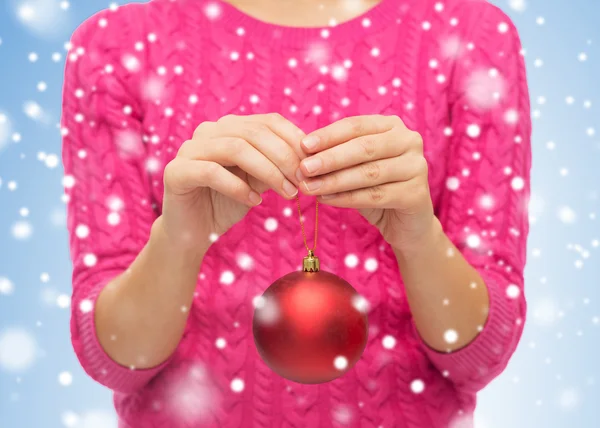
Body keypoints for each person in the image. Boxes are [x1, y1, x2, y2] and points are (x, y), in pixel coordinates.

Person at [61, 0, 531, 426]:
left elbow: (479, 358)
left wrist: (419, 239)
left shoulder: (470, 35)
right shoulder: (115, 47)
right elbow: (116, 362)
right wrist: (179, 240)